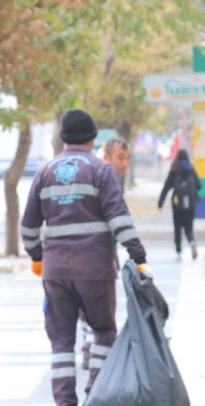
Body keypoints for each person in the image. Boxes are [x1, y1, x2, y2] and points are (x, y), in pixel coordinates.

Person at [21, 109, 147, 406]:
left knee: (62, 342)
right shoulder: (100, 170)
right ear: (93, 139)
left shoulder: (45, 172)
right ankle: (94, 397)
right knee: (103, 331)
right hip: (95, 270)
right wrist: (137, 253)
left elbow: (28, 227)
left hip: (56, 271)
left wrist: (38, 256)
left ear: (64, 138)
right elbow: (119, 219)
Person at [80, 136, 133, 370]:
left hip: (95, 258)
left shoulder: (107, 178)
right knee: (98, 320)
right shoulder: (101, 177)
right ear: (107, 156)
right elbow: (119, 220)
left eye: (127, 158)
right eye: (120, 157)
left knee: (90, 314)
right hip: (91, 259)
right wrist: (138, 254)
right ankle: (90, 353)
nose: (124, 163)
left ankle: (87, 346)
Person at [158, 148, 202, 260]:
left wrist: (160, 203)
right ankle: (192, 242)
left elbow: (166, 187)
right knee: (189, 228)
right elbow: (199, 185)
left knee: (177, 228)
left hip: (177, 204)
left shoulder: (174, 170)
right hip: (190, 204)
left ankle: (178, 251)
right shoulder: (191, 169)